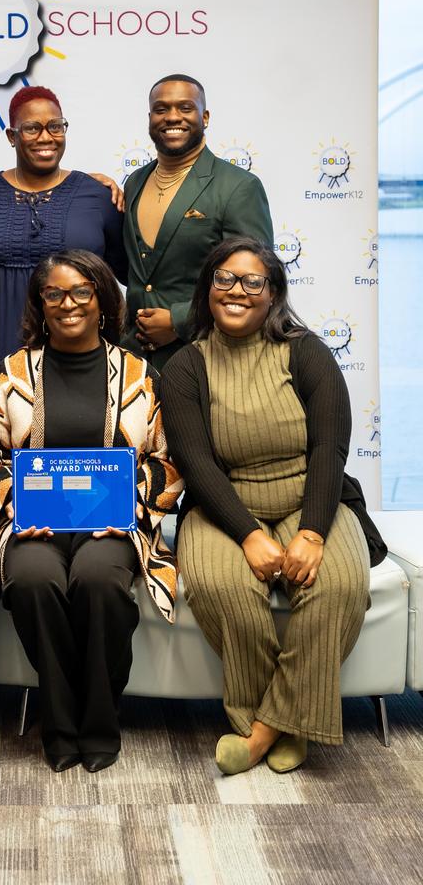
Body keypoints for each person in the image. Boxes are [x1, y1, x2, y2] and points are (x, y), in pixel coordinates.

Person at [159, 236, 387, 775]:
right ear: (207, 288)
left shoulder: (306, 351)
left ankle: (263, 732)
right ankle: (286, 722)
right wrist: (248, 535)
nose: (236, 290)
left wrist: (311, 533)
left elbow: (329, 446)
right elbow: (196, 464)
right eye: (224, 279)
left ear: (273, 292)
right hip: (223, 505)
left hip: (312, 496)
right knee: (223, 587)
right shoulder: (185, 367)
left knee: (336, 585)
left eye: (252, 281)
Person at [0, 250, 182, 774]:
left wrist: (127, 508)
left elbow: (165, 462)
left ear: (102, 300)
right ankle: (59, 720)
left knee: (99, 584)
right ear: (40, 304)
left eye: (81, 292)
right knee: (32, 582)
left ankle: (100, 718)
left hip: (111, 525)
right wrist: (18, 504)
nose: (68, 304)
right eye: (54, 294)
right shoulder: (13, 373)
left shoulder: (138, 375)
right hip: (34, 522)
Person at [0, 86, 127, 380]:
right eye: (32, 128)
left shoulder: (96, 195)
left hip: (77, 353)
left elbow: (129, 272)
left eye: (55, 126)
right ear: (12, 136)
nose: (46, 137)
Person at [123, 73, 273, 371]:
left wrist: (179, 320)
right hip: (136, 360)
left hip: (207, 357)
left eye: (185, 107)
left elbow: (254, 283)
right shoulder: (135, 182)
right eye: (161, 109)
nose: (172, 117)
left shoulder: (238, 186)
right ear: (150, 117)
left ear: (204, 116)